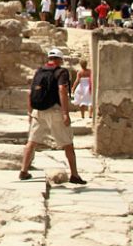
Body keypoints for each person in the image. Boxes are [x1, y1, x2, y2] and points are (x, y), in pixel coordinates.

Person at [19, 47, 86, 184]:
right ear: (60, 60)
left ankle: (23, 170)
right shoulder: (61, 72)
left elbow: (32, 91)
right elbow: (62, 90)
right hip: (55, 111)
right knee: (67, 143)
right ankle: (74, 175)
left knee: (32, 142)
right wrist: (65, 113)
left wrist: (30, 111)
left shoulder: (39, 71)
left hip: (38, 111)